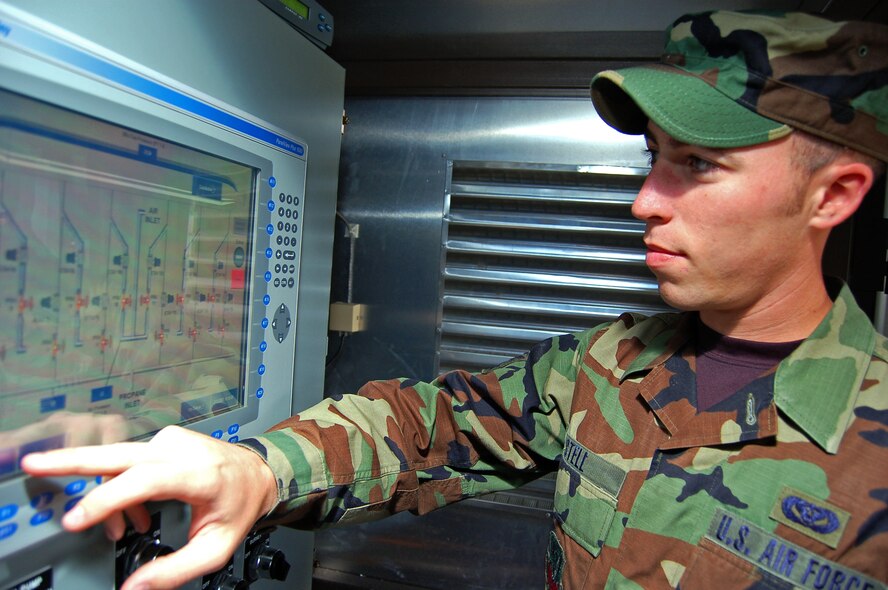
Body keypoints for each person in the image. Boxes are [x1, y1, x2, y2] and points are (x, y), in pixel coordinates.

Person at [22, 9, 888, 590]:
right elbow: (426, 428)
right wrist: (256, 468)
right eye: (652, 157)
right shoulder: (608, 367)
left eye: (697, 165)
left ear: (833, 196)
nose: (645, 200)